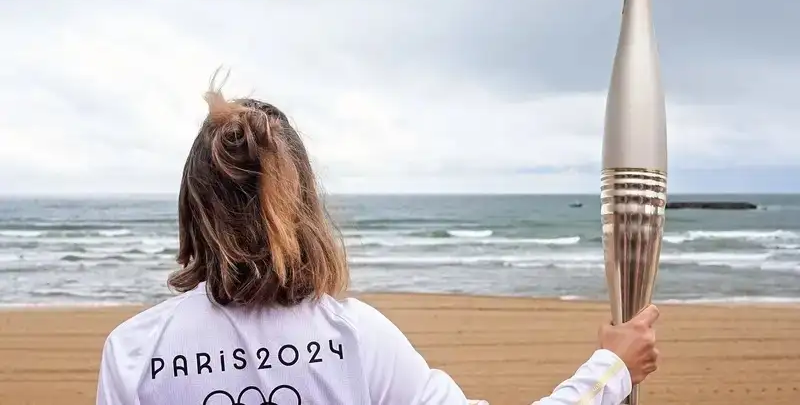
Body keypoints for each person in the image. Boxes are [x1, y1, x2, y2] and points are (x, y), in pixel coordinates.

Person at [96, 76, 660, 405]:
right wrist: (611, 368)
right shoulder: (354, 337)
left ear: (194, 208)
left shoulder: (135, 350)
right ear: (303, 203)